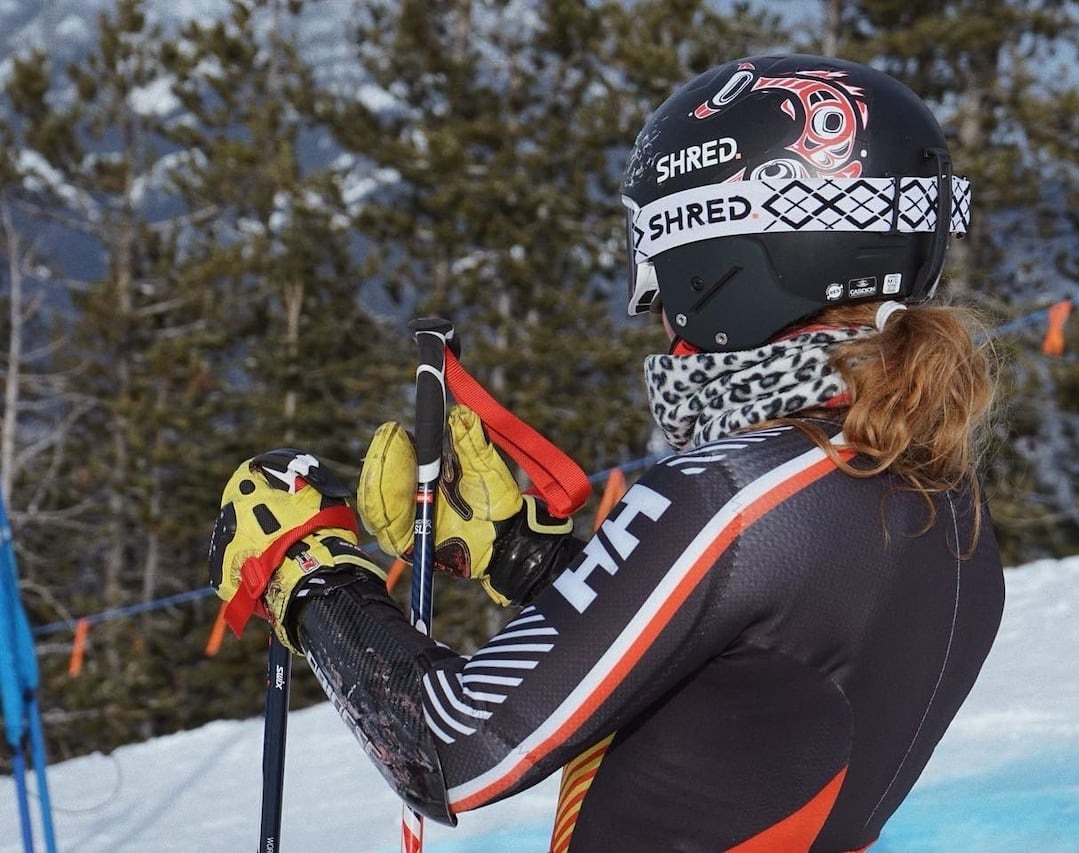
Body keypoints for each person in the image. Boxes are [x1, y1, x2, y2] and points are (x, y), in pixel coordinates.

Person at [208, 54, 1005, 852]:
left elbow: (449, 746)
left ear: (723, 263)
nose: (657, 309)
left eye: (665, 265)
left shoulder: (730, 492)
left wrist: (308, 573)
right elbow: (731, 678)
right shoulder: (935, 494)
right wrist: (521, 557)